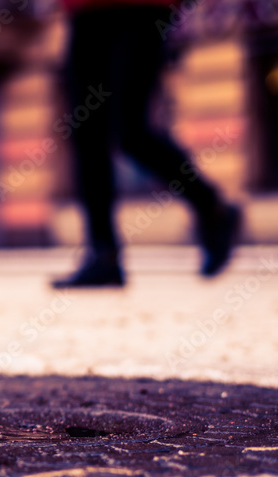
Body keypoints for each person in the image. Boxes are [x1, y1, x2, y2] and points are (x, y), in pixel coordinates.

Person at [53, 0, 241, 288]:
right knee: (85, 132)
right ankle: (102, 254)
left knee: (130, 132)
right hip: (84, 11)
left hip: (144, 9)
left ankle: (211, 206)